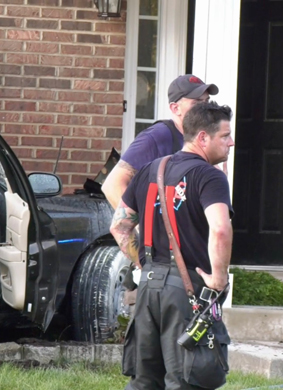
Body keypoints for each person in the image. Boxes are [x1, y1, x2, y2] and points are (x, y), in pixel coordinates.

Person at [110, 101, 234, 390]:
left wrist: (145, 265)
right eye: (225, 136)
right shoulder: (210, 177)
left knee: (144, 381)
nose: (231, 142)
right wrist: (218, 278)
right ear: (203, 138)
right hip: (188, 290)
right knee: (185, 380)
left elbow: (119, 226)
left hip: (148, 290)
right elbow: (220, 228)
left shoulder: (151, 170)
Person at [102, 74, 219, 210]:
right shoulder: (157, 136)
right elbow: (112, 185)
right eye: (197, 103)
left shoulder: (200, 139)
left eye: (207, 102)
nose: (205, 108)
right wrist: (138, 228)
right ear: (175, 108)